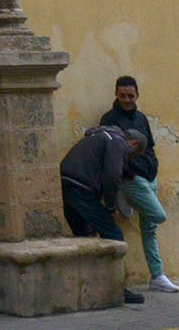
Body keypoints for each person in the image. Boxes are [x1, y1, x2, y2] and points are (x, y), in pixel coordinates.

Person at [100, 76, 179, 293]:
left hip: (149, 175)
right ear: (116, 94)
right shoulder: (109, 119)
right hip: (132, 179)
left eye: (131, 96)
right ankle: (125, 204)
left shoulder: (141, 118)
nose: (127, 99)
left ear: (137, 96)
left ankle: (157, 276)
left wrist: (153, 165)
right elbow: (111, 156)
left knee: (149, 229)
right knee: (158, 216)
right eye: (123, 95)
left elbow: (150, 146)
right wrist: (130, 175)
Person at [58, 121, 149, 304]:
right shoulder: (117, 142)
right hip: (81, 187)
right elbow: (112, 175)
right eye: (133, 156)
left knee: (85, 237)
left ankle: (88, 289)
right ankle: (117, 289)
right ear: (135, 144)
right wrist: (110, 207)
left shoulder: (101, 136)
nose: (129, 160)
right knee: (114, 234)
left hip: (66, 183)